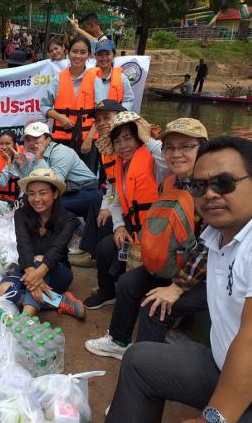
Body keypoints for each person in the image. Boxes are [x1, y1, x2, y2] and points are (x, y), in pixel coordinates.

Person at [106, 136, 252, 423]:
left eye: (225, 183)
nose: (210, 194)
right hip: (219, 362)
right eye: (199, 186)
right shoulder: (216, 235)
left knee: (151, 302)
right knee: (139, 359)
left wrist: (214, 418)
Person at [85, 118, 209, 359]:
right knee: (128, 283)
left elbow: (209, 246)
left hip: (201, 276)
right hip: (173, 259)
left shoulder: (209, 189)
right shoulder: (170, 182)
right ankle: (119, 341)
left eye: (186, 147)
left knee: (153, 305)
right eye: (170, 147)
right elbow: (124, 203)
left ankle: (143, 363)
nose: (176, 154)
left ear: (202, 149)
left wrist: (177, 286)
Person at [83, 111, 167, 310]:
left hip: (159, 230)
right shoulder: (122, 165)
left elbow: (168, 163)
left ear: (139, 138)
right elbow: (118, 203)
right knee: (104, 248)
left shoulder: (155, 160)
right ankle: (108, 291)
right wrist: (119, 227)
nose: (123, 145)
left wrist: (147, 137)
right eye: (118, 141)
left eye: (129, 138)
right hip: (134, 226)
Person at [0, 168, 85, 319]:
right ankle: (61, 301)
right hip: (27, 267)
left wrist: (37, 274)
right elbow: (23, 246)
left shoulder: (69, 219)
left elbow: (56, 251)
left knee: (39, 259)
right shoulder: (21, 215)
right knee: (2, 289)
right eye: (32, 193)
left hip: (57, 271)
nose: (36, 199)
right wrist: (34, 277)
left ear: (55, 193)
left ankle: (25, 320)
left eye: (43, 193)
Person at [73, 99, 126, 267]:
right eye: (98, 120)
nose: (101, 123)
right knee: (98, 204)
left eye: (107, 118)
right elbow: (112, 184)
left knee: (105, 215)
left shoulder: (132, 145)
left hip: (133, 204)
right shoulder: (106, 148)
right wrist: (106, 206)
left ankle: (100, 256)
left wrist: (110, 208)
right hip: (119, 198)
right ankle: (92, 252)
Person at [14, 122, 100, 220]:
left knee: (44, 206)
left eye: (36, 138)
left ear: (48, 139)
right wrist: (22, 165)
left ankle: (77, 229)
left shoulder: (61, 152)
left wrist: (40, 159)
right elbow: (30, 185)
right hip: (68, 192)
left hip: (86, 191)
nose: (32, 143)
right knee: (29, 201)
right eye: (28, 140)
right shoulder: (37, 155)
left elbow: (56, 183)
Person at [40, 36, 98, 171]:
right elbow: (44, 107)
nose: (78, 56)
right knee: (61, 180)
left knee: (86, 183)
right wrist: (60, 117)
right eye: (74, 51)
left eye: (83, 52)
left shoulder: (96, 80)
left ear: (88, 55)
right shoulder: (57, 79)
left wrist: (89, 138)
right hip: (61, 142)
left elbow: (101, 114)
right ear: (68, 52)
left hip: (87, 142)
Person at [92, 39, 134, 110]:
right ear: (95, 56)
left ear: (113, 55)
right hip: (94, 118)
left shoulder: (122, 78)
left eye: (107, 54)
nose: (104, 58)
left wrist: (119, 113)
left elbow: (129, 99)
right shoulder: (89, 77)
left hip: (114, 119)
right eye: (100, 55)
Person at [0, 130, 21, 202]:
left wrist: (21, 162)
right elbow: (2, 182)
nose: (4, 147)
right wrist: (8, 162)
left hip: (16, 200)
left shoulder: (21, 159)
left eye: (8, 143)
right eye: (1, 144)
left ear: (14, 145)